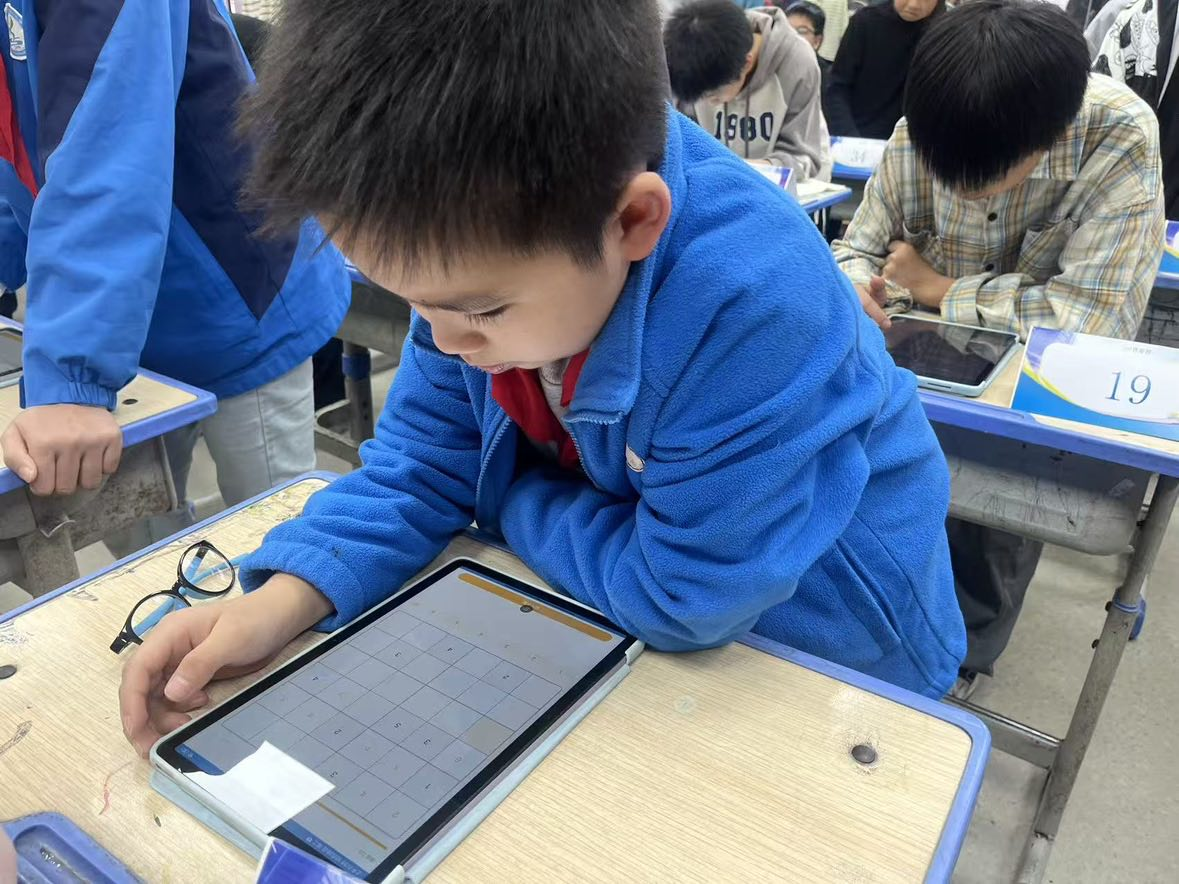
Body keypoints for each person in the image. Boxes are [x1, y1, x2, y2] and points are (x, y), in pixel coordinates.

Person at [118, 0, 966, 757]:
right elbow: (422, 466)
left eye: (479, 311)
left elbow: (683, 596)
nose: (443, 342)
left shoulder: (754, 301)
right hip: (634, 625)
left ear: (632, 221)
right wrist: (286, 596)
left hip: (828, 650)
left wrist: (503, 497)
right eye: (413, 304)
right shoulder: (470, 246)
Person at [832, 0, 1164, 696]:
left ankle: (962, 661)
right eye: (943, 169)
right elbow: (857, 247)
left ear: (1051, 133)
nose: (957, 189)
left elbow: (1088, 323)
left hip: (1032, 396)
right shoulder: (922, 126)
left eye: (982, 175)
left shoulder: (1119, 138)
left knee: (998, 530)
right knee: (885, 493)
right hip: (920, 372)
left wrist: (936, 287)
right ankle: (882, 626)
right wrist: (853, 286)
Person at [0, 0, 349, 536]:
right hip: (114, 321)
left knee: (278, 537)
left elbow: (105, 153)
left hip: (231, 302)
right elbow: (16, 144)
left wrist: (72, 376)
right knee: (145, 556)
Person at [664, 0, 831, 180]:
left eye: (713, 95)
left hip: (786, 188)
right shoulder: (689, 59)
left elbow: (801, 157)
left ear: (747, 64)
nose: (709, 102)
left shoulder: (798, 63)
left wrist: (737, 169)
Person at [825, 0, 944, 139]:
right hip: (855, 133)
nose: (913, 5)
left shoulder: (944, 35)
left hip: (911, 140)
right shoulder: (866, 21)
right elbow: (838, 86)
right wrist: (850, 137)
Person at [779, 1, 832, 95]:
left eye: (801, 31)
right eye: (787, 29)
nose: (792, 36)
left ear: (817, 41)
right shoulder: (771, 66)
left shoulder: (826, 79)